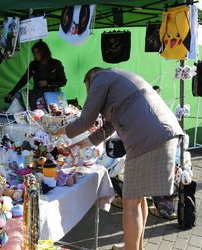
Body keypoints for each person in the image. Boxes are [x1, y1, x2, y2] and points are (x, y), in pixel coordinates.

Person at [54, 67, 184, 250]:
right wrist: (79, 145)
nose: (89, 95)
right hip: (162, 132)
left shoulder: (100, 78)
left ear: (90, 79)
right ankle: (135, 247)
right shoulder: (117, 80)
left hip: (147, 138)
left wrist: (57, 131)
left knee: (129, 202)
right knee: (138, 199)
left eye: (88, 90)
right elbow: (108, 128)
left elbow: (86, 121)